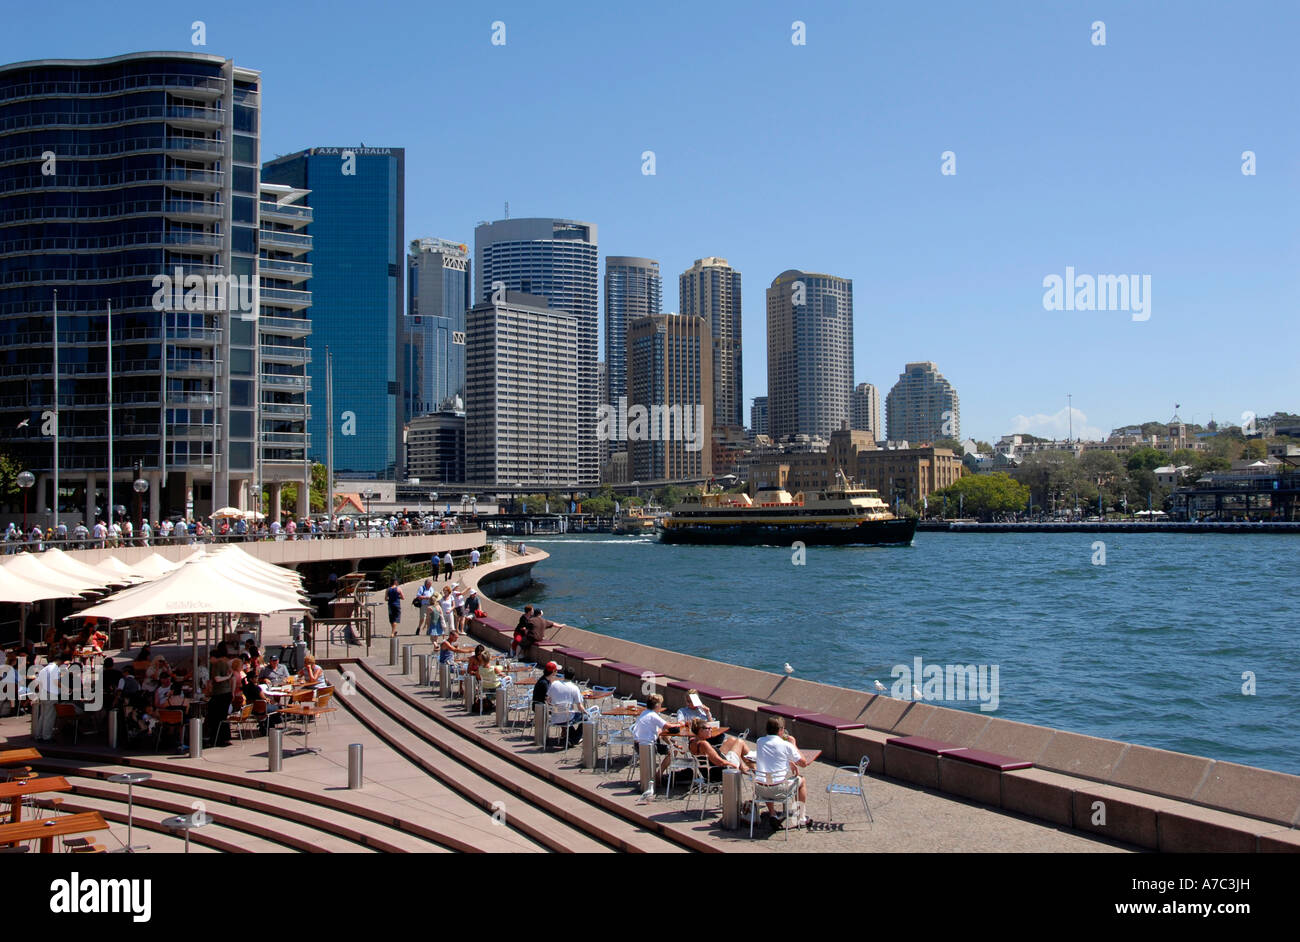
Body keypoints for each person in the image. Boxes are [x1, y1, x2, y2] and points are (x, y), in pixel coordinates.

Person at [753, 716, 811, 828]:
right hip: (779, 791)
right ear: (780, 730)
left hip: (760, 789)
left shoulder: (759, 741)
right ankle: (801, 818)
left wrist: (789, 762)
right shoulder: (786, 745)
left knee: (767, 778)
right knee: (802, 780)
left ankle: (773, 814)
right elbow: (803, 763)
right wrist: (793, 744)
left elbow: (772, 758)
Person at [687, 717, 754, 779]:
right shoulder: (704, 744)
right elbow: (720, 762)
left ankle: (743, 767)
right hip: (721, 772)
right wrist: (734, 765)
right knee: (740, 742)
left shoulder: (692, 741)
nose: (711, 730)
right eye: (709, 728)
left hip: (709, 771)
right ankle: (755, 770)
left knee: (731, 740)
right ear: (701, 731)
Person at [632, 693, 674, 778]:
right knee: (673, 751)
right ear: (657, 705)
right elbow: (668, 726)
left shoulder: (644, 713)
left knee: (661, 732)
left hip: (637, 745)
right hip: (649, 746)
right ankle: (658, 775)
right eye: (661, 704)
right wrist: (680, 724)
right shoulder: (653, 715)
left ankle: (672, 744)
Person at [546, 667, 587, 747]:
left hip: (555, 717)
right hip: (567, 718)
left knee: (567, 715)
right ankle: (574, 739)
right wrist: (587, 713)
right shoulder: (574, 688)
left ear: (564, 675)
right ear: (573, 677)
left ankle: (571, 737)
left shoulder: (554, 684)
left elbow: (548, 699)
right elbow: (580, 707)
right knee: (585, 717)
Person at [204, 647, 233, 747]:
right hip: (227, 693)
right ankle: (225, 738)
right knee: (223, 717)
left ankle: (215, 738)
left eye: (210, 658)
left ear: (213, 657)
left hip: (220, 694)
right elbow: (231, 677)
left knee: (214, 717)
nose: (209, 660)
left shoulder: (216, 665)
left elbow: (217, 678)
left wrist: (226, 677)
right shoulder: (226, 664)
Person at [32, 655, 65, 741]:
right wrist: (65, 688)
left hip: (43, 694)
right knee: (49, 716)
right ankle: (46, 736)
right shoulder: (55, 668)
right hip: (51, 694)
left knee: (43, 715)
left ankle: (38, 735)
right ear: (59, 661)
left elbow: (38, 684)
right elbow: (56, 681)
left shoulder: (44, 669)